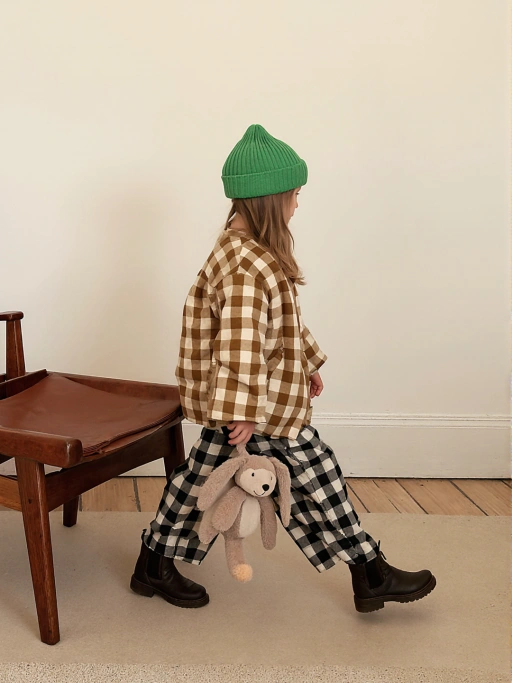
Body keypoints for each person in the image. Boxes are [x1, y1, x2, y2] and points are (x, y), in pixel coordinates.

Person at [130, 124, 437, 613]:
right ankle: (370, 572)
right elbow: (240, 345)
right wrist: (243, 411)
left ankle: (153, 560)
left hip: (257, 400)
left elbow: (281, 324)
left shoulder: (253, 256)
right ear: (270, 200)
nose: (297, 205)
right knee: (317, 475)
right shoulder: (245, 267)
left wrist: (307, 361)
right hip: (259, 405)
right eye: (294, 195)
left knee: (203, 479)